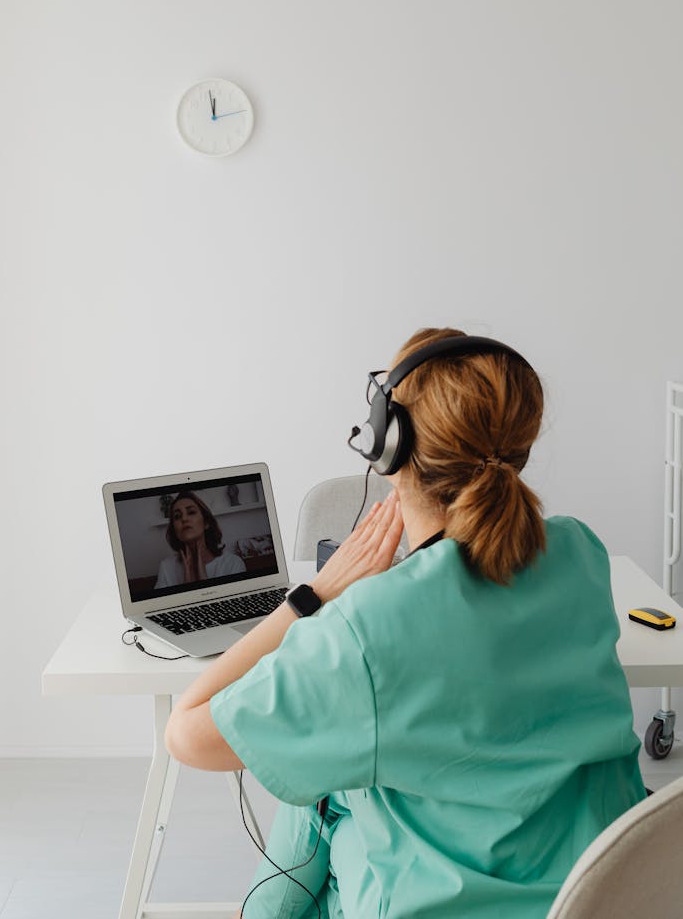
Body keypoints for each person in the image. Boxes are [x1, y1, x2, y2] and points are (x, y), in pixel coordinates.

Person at [164, 327, 647, 919]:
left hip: (446, 905)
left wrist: (310, 597)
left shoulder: (367, 627)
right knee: (337, 783)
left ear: (387, 444)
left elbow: (185, 734)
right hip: (595, 892)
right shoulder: (579, 554)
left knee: (320, 799)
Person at [154, 491, 245, 589]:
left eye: (191, 512)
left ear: (206, 522)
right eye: (177, 516)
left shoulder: (233, 564)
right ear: (175, 530)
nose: (184, 519)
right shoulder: (166, 568)